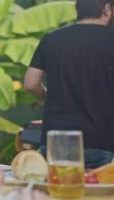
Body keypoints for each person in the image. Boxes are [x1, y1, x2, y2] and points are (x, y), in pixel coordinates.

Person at [24, 0, 114, 169]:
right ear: (107, 9)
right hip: (102, 139)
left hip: (57, 138)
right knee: (96, 194)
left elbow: (31, 83)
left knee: (55, 191)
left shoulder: (52, 39)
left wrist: (48, 96)